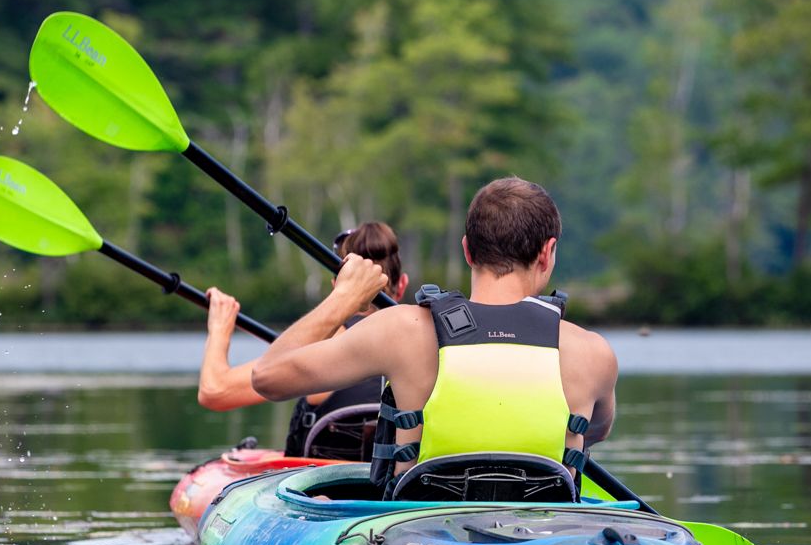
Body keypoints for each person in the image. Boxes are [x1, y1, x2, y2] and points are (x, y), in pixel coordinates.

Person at [247, 178, 617, 485]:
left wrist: (343, 298)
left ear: (468, 251)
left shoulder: (402, 330)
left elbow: (266, 378)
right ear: (548, 253)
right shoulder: (593, 353)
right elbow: (596, 431)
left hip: (415, 534)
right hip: (546, 538)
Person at [197, 221, 408, 459]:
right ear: (401, 285)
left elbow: (214, 391)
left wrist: (219, 328)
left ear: (338, 287)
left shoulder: (323, 350)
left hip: (320, 491)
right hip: (395, 488)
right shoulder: (424, 343)